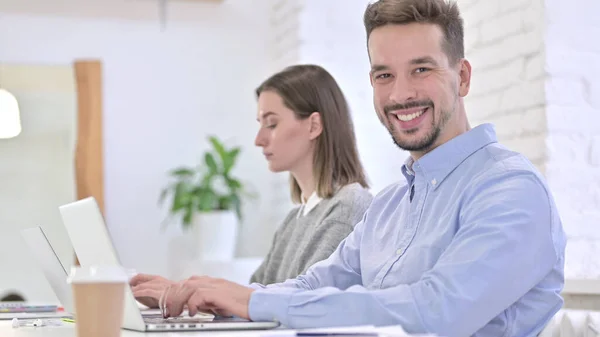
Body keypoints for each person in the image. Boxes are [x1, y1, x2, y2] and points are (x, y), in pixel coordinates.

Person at [134, 0, 567, 336]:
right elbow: (312, 285)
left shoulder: (510, 190)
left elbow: (436, 313)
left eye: (422, 69)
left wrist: (251, 303)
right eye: (383, 76)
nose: (401, 94)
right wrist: (211, 295)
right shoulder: (390, 205)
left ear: (463, 77)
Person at [131, 65, 373, 307]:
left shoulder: (347, 208)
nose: (259, 140)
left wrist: (190, 295)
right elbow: (251, 302)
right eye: (261, 124)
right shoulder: (294, 220)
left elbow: (305, 306)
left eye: (272, 124)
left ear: (313, 126)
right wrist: (183, 296)